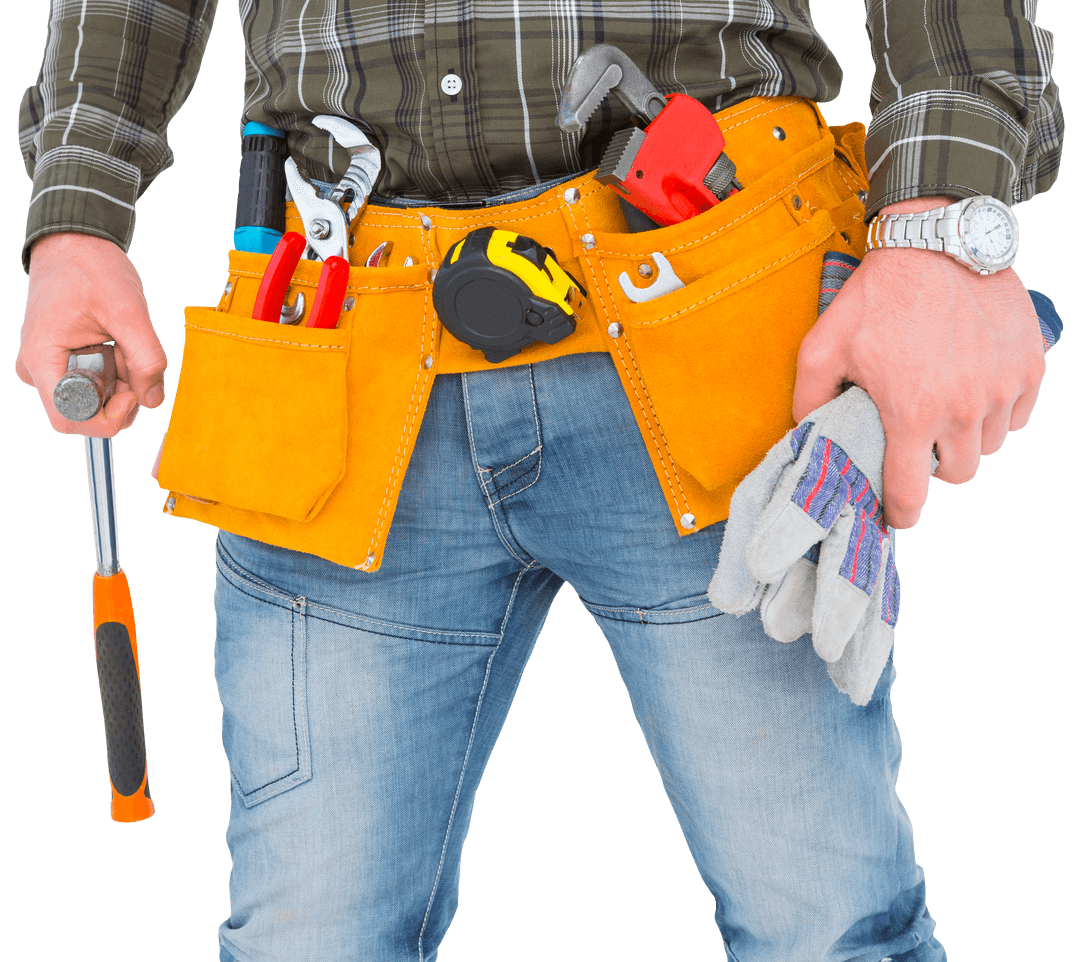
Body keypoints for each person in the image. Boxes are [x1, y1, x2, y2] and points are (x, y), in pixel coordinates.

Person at [15, 3, 1062, 961]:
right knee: (308, 941)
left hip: (717, 306)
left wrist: (939, 223)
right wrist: (76, 213)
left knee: (827, 927)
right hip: (339, 341)